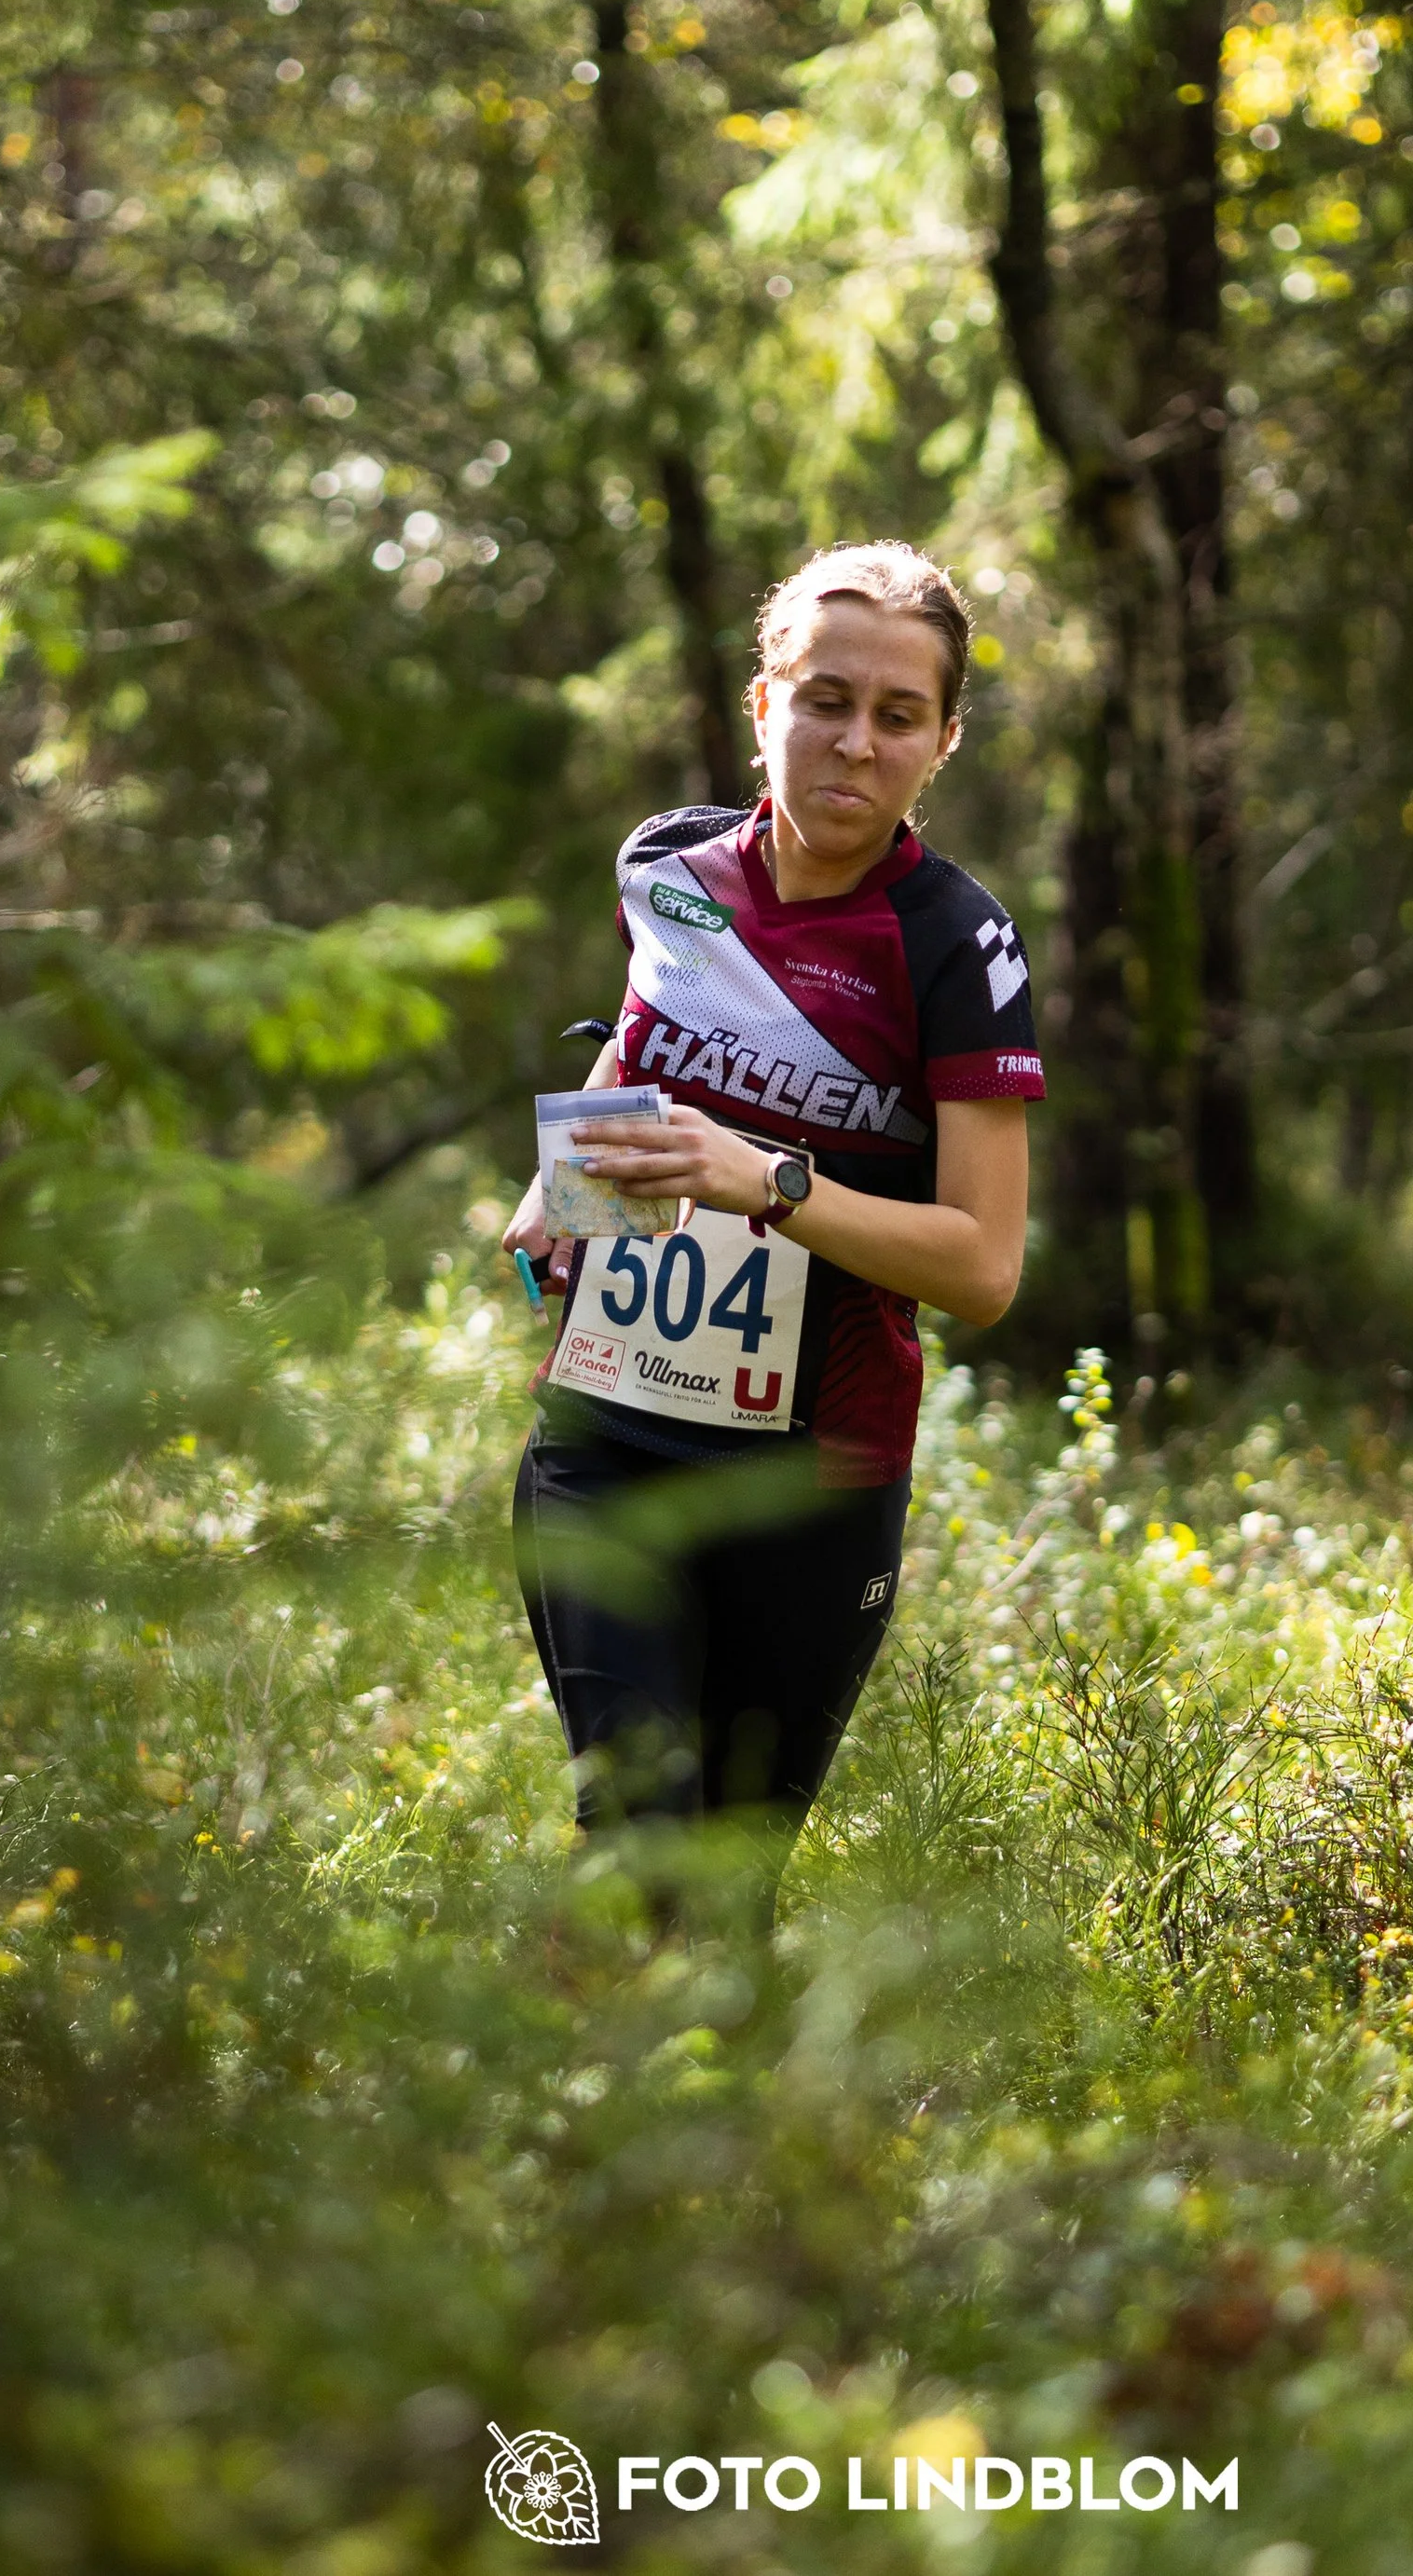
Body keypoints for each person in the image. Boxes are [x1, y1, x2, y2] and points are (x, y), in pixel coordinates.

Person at [502, 541, 1041, 1899]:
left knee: (727, 1893)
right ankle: (582, 2101)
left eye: (897, 716)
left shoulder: (954, 949)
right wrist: (558, 1188)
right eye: (824, 699)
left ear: (943, 742)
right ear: (763, 707)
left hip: (821, 1478)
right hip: (608, 1442)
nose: (853, 743)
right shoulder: (668, 869)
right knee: (643, 1854)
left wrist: (772, 1186)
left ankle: (696, 2104)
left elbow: (982, 1269)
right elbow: (641, 1042)